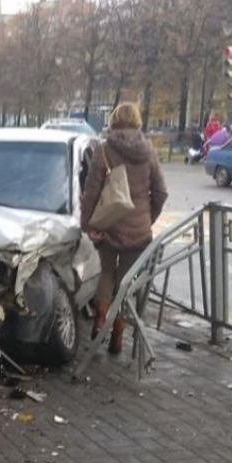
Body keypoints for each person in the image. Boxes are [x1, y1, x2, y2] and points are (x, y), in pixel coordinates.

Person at [80, 102, 168, 355]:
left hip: (108, 226)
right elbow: (161, 191)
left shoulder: (104, 149)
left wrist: (87, 224)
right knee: (126, 284)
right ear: (138, 121)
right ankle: (117, 334)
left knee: (106, 273)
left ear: (114, 121)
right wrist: (148, 218)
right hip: (138, 231)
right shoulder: (149, 151)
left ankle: (100, 317)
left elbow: (91, 192)